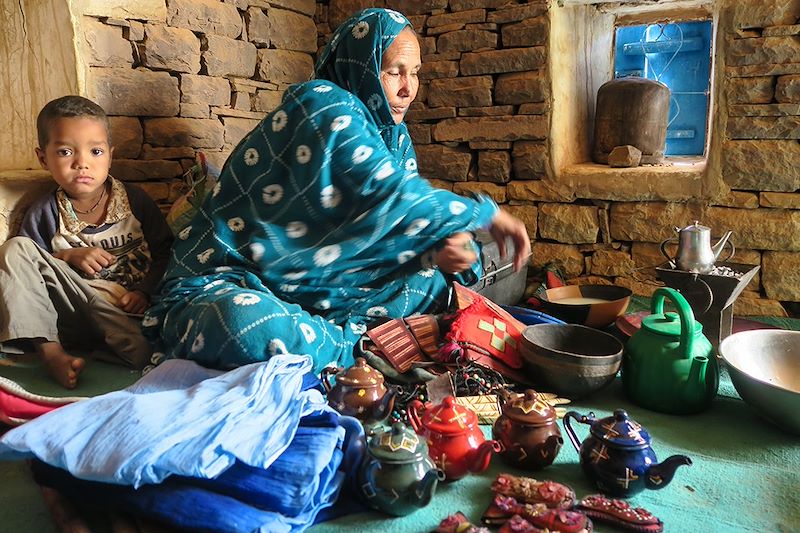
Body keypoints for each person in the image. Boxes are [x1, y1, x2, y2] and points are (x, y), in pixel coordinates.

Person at [142, 8, 530, 375]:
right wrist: (484, 214)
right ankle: (358, 349)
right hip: (235, 278)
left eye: (414, 72)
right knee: (242, 324)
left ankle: (346, 339)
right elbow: (387, 195)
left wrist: (433, 249)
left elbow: (379, 229)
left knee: (432, 277)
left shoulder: (392, 136)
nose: (408, 88)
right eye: (393, 71)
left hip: (322, 284)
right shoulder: (323, 104)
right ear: (359, 66)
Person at [0, 95, 173, 388]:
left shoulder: (135, 201)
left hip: (119, 313)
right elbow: (27, 272)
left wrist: (144, 292)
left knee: (145, 352)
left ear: (110, 154)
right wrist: (68, 257)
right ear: (44, 158)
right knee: (15, 248)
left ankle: (92, 352)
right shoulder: (46, 211)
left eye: (95, 151)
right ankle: (50, 352)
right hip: (72, 309)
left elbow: (166, 252)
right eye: (66, 152)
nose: (82, 163)